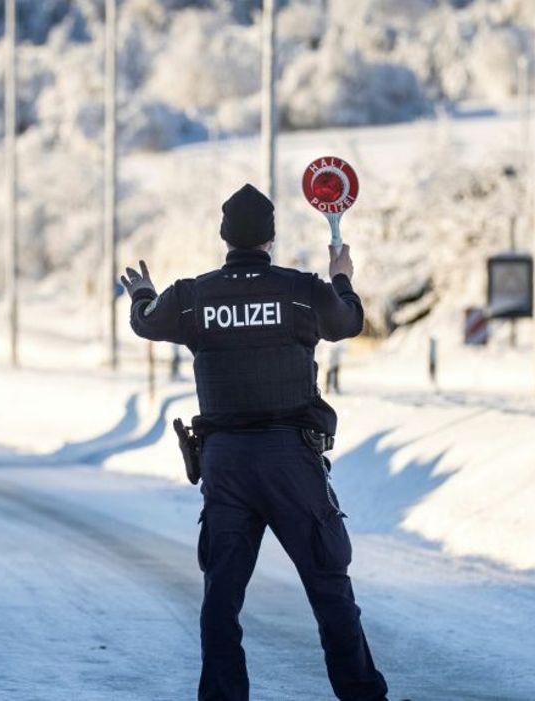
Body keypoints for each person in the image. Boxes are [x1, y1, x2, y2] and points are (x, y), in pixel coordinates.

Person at [119, 183, 389, 701]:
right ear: (270, 238)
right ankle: (360, 694)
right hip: (292, 460)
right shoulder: (302, 290)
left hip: (226, 466)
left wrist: (143, 293)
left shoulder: (193, 296)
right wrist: (341, 276)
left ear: (225, 238)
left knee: (222, 598)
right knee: (329, 586)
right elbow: (349, 321)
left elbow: (146, 324)